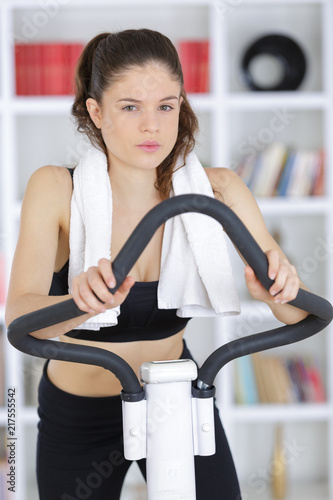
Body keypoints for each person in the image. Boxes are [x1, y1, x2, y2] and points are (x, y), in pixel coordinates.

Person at [5, 29, 307, 500]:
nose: (153, 126)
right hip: (79, 412)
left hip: (175, 402)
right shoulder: (55, 188)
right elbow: (21, 320)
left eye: (166, 106)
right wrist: (79, 302)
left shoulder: (219, 191)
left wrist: (277, 292)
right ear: (96, 112)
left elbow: (297, 313)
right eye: (131, 107)